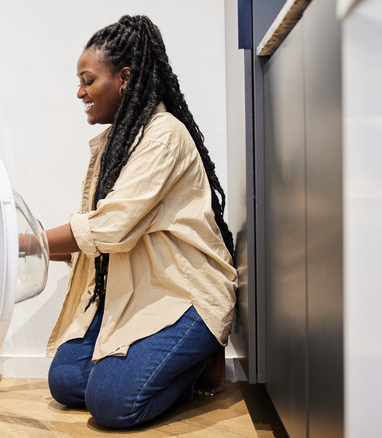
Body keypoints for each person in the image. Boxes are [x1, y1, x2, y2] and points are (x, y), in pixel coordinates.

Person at [40, 15, 238, 429]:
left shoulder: (164, 135)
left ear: (125, 78)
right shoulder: (113, 142)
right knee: (64, 381)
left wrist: (20, 243)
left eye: (88, 80)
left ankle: (196, 359)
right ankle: (148, 367)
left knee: (111, 403)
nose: (80, 92)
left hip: (183, 295)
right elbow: (97, 232)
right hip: (137, 294)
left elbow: (109, 229)